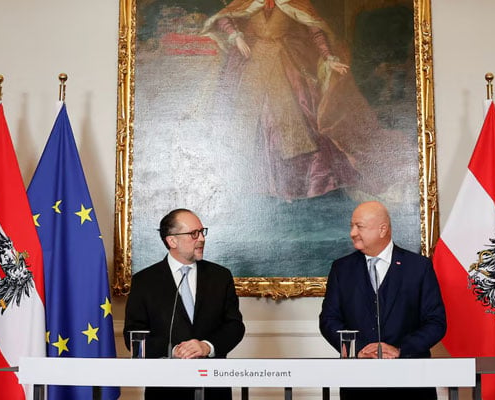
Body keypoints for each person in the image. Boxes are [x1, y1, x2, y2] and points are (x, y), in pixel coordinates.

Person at [201, 0, 402, 200]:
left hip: (283, 63)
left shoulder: (295, 3)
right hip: (250, 62)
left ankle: (295, 186)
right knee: (254, 122)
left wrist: (329, 57)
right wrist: (236, 36)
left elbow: (315, 31)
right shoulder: (248, 2)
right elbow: (224, 17)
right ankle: (254, 185)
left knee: (297, 117)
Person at [319, 201, 447, 400]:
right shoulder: (341, 269)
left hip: (412, 384)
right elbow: (328, 320)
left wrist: (399, 350)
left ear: (383, 229)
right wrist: (359, 349)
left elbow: (436, 322)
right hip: (359, 386)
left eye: (359, 226)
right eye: (351, 226)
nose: (352, 233)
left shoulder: (419, 267)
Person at [124, 208, 245, 400]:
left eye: (202, 232)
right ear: (172, 240)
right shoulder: (144, 281)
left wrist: (207, 346)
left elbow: (235, 326)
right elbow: (134, 336)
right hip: (165, 390)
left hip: (213, 389)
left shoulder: (220, 276)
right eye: (193, 234)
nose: (202, 239)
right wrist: (173, 350)